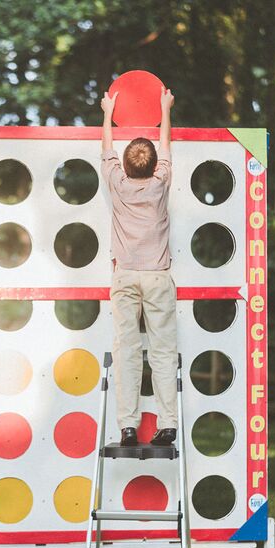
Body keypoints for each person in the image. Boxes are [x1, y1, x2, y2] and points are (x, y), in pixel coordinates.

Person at [100, 86, 178, 447]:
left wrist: (107, 111)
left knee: (127, 351)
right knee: (162, 351)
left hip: (126, 277)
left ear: (126, 167)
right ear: (151, 167)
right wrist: (165, 109)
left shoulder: (117, 184)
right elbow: (165, 148)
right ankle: (168, 425)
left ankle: (128, 427)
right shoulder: (160, 184)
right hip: (158, 278)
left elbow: (107, 150)